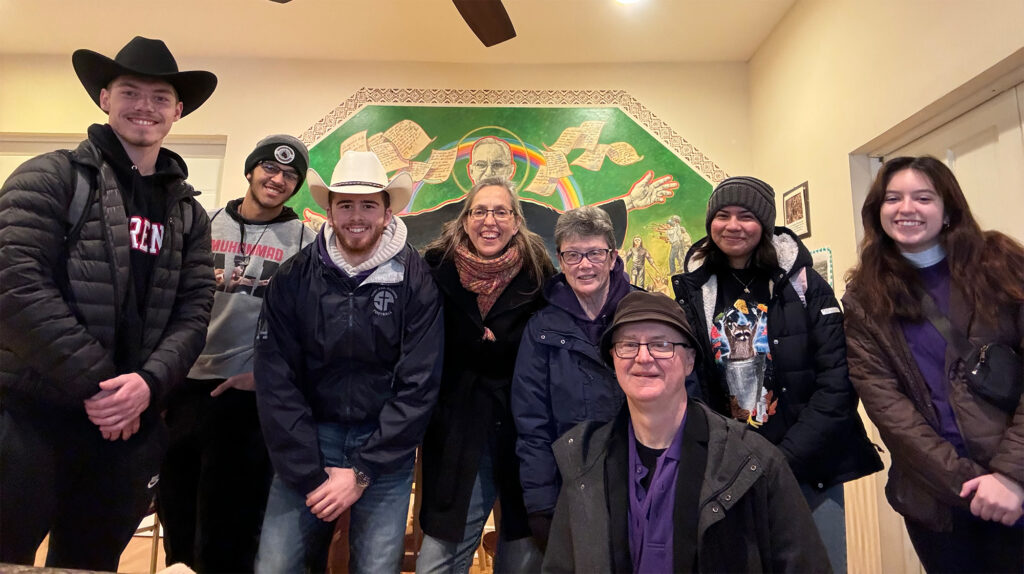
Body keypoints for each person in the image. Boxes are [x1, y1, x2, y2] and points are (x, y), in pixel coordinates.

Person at [0, 36, 216, 571]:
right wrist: (103, 389)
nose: (145, 106)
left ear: (177, 110)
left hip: (130, 430)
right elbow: (15, 285)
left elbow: (195, 310)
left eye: (160, 97)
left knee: (92, 564)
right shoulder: (49, 177)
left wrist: (146, 386)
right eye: (130, 91)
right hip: (32, 420)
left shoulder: (188, 213)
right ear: (104, 98)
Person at [671, 176, 882, 573]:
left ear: (765, 224)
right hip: (729, 473)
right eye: (723, 215)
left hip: (808, 467)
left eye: (746, 216)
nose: (733, 225)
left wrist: (782, 461)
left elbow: (837, 381)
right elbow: (693, 383)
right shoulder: (696, 290)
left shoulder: (803, 283)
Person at [544, 291, 830, 573]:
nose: (643, 357)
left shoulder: (750, 462)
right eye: (629, 345)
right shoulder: (585, 462)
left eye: (662, 344)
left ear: (690, 360)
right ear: (613, 359)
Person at [253, 150, 443, 573]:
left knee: (376, 568)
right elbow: (275, 378)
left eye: (368, 205)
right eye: (346, 205)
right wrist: (307, 471)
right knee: (275, 566)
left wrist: (361, 471)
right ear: (329, 209)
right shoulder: (294, 277)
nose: (356, 216)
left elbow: (420, 382)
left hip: (384, 449)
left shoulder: (416, 280)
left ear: (387, 210)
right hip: (307, 442)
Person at [843, 156, 1024, 574]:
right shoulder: (864, 297)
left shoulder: (999, 263)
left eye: (923, 197)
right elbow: (888, 408)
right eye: (893, 198)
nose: (906, 209)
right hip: (936, 502)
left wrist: (1010, 477)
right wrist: (968, 486)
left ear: (947, 209)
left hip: (1017, 486)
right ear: (878, 211)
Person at [157, 135, 313, 572]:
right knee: (179, 516)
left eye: (289, 175)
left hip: (247, 398)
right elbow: (165, 300)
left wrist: (267, 378)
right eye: (270, 169)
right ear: (250, 171)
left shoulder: (307, 241)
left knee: (231, 528)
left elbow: (310, 326)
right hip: (186, 389)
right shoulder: (200, 224)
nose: (278, 179)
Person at [417, 177, 555, 573]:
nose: (489, 220)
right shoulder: (435, 268)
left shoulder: (539, 273)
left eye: (500, 211)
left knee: (524, 548)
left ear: (516, 221)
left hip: (523, 428)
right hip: (457, 426)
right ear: (464, 220)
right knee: (440, 555)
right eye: (479, 211)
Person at [510, 205, 630, 552]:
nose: (584, 264)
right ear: (560, 261)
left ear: (612, 257)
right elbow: (532, 422)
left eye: (594, 253)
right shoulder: (541, 327)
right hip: (571, 487)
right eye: (573, 255)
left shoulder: (644, 313)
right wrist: (541, 504)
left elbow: (682, 398)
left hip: (642, 481)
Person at [404, 136, 676, 263]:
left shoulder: (532, 216)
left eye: (497, 166)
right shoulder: (451, 216)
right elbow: (412, 226)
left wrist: (629, 202)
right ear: (471, 170)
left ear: (511, 170)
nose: (489, 173)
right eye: (482, 165)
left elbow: (573, 224)